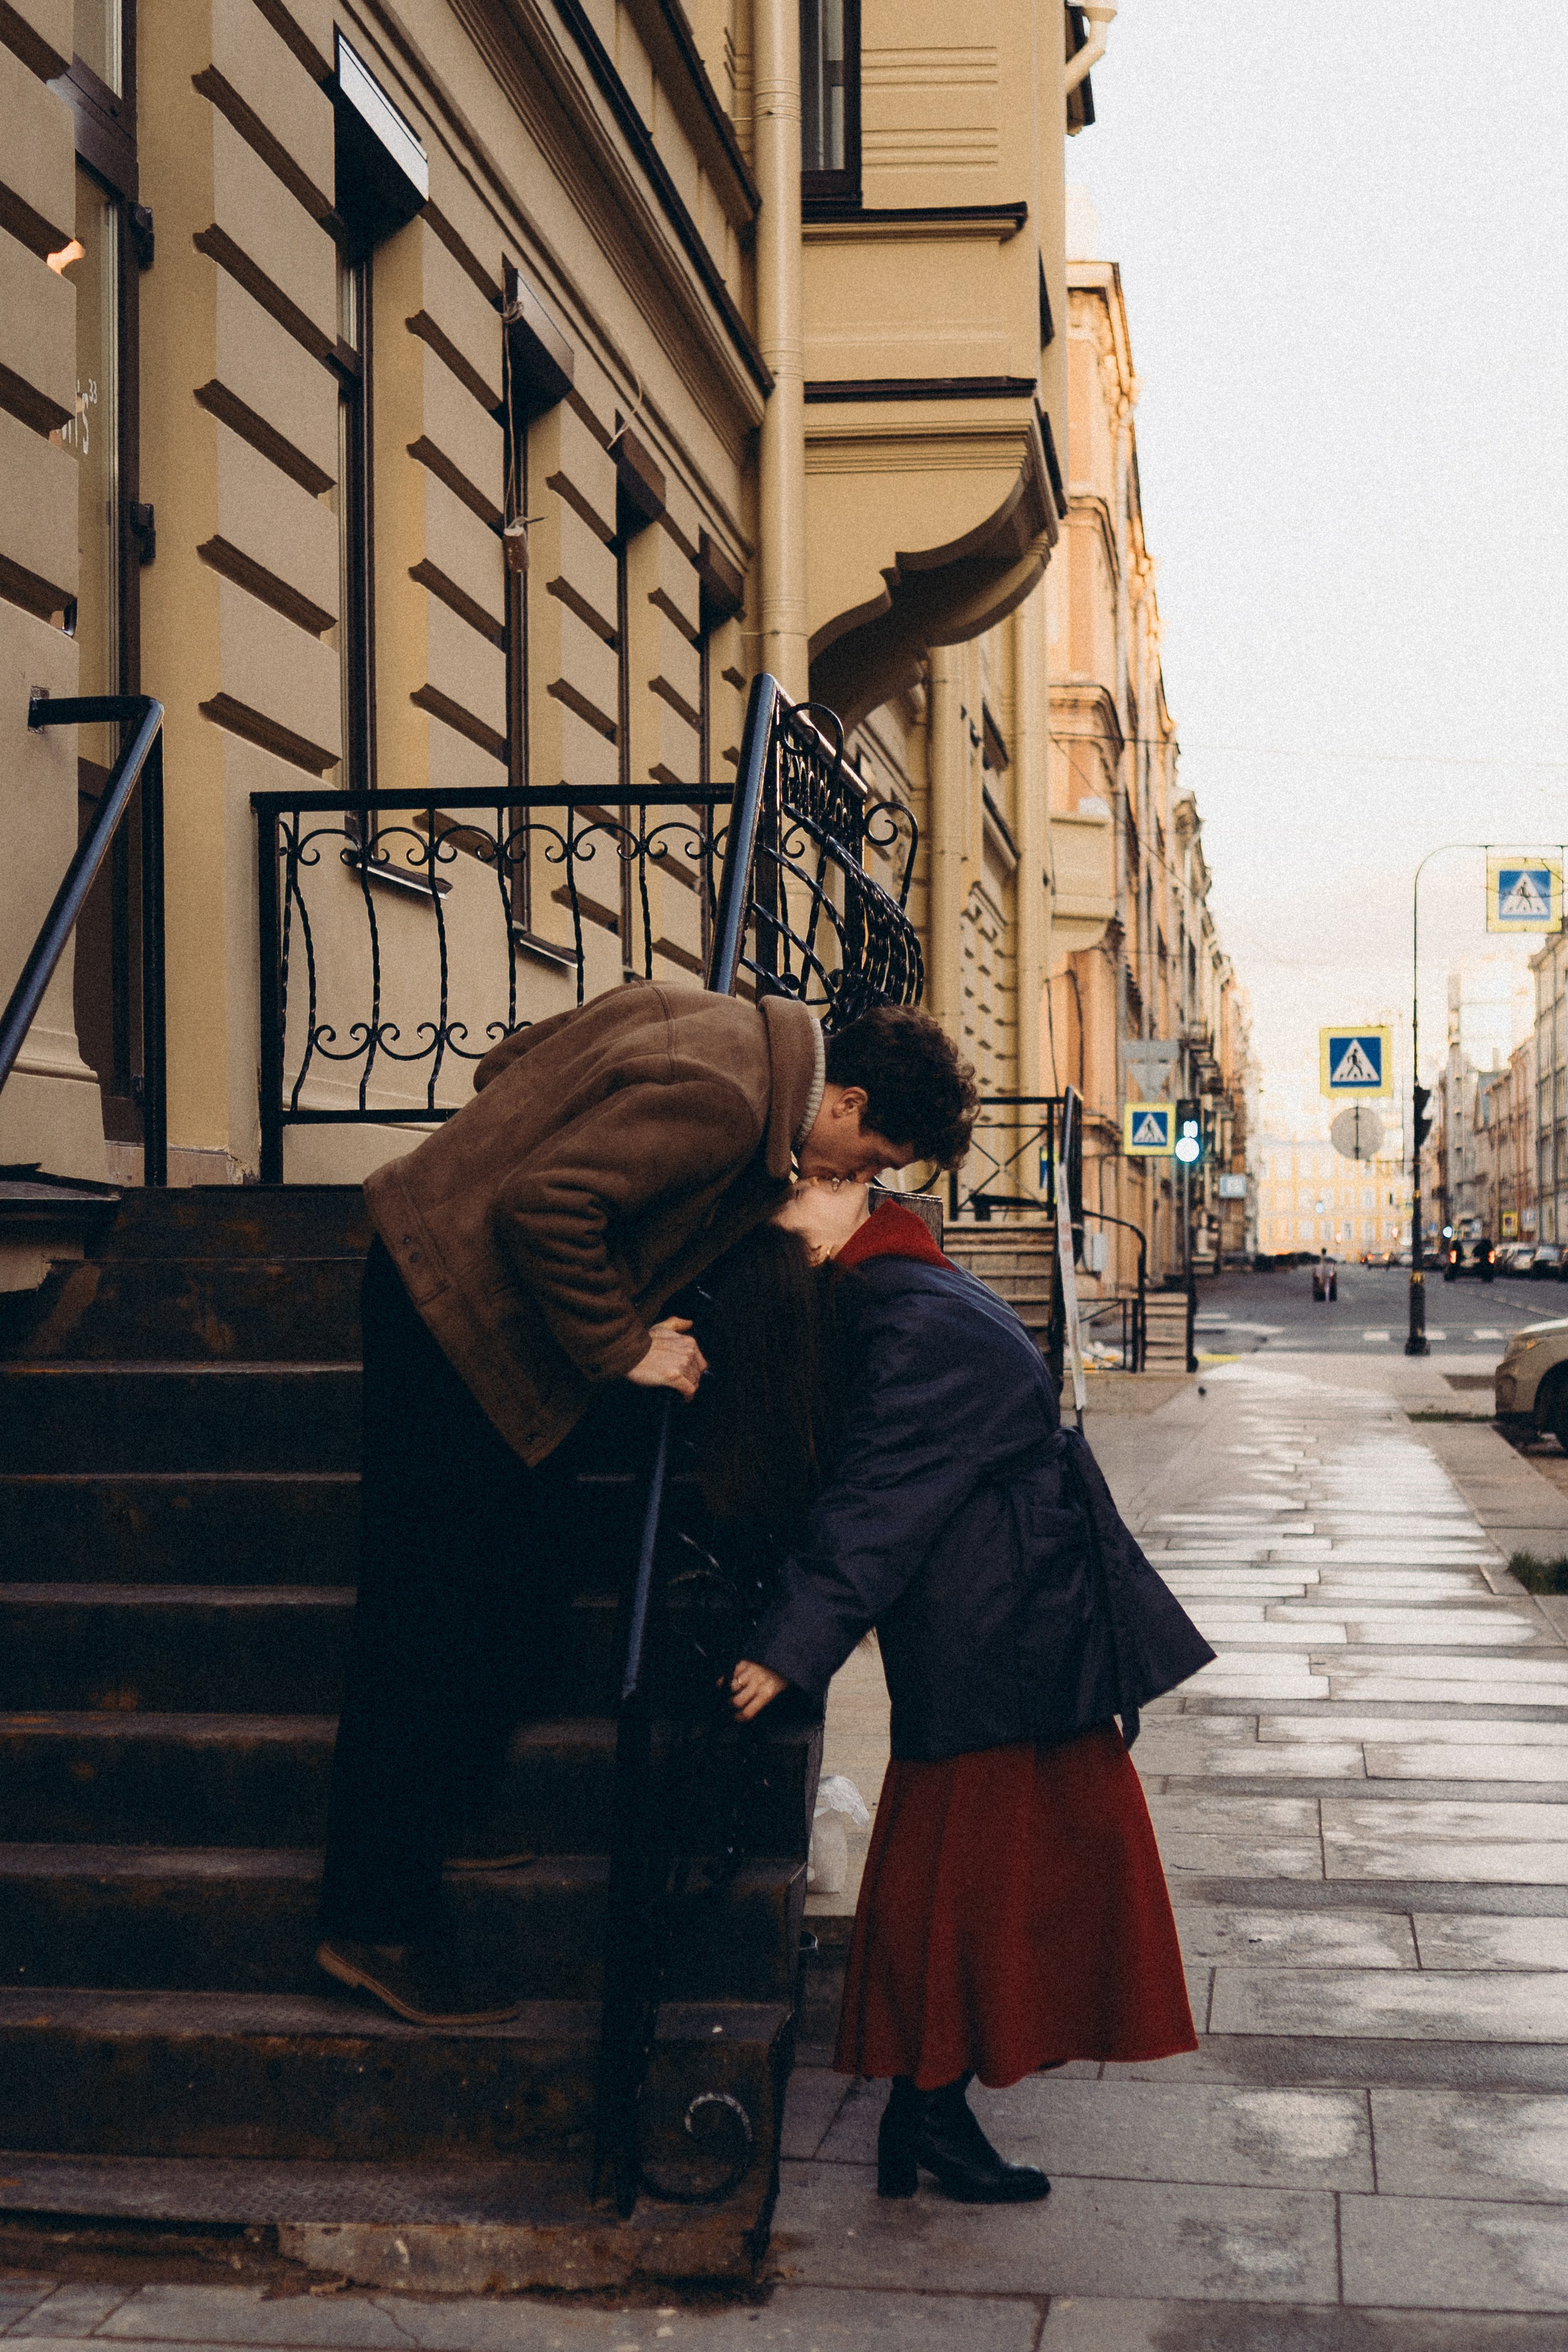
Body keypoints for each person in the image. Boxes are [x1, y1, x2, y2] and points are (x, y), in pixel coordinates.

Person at [314, 981, 978, 2026]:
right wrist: (625, 1345)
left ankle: (441, 1800)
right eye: (876, 1160)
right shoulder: (725, 1104)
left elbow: (514, 1063)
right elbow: (546, 1206)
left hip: (429, 1270)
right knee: (424, 1610)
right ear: (844, 1102)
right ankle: (373, 1920)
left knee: (518, 1559)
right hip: (449, 1314)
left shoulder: (710, 1016)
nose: (863, 1179)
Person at [715, 1182, 1210, 2204]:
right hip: (1007, 1615)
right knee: (972, 1872)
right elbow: (881, 1488)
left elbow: (881, 1496)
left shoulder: (906, 1308)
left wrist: (794, 1643)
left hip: (1007, 1621)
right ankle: (927, 2112)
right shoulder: (901, 1284)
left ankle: (927, 2110)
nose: (793, 1195)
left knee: (982, 1871)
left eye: (802, 1187)